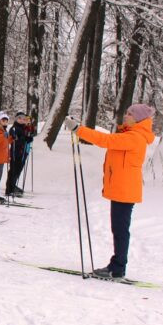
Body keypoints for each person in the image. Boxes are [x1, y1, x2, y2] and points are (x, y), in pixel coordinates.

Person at [64, 104, 155, 279]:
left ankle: (118, 268)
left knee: (120, 230)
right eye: (127, 112)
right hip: (123, 189)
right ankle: (117, 265)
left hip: (125, 190)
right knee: (119, 229)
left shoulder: (135, 137)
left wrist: (78, 129)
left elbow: (105, 140)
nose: (126, 116)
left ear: (138, 119)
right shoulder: (131, 135)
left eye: (130, 114)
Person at [6, 111, 34, 197]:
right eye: (20, 118)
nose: (22, 120)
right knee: (13, 170)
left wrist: (28, 138)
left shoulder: (23, 128)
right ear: (16, 119)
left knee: (18, 170)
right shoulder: (14, 128)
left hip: (21, 152)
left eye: (23, 118)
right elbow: (15, 140)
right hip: (15, 152)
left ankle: (13, 185)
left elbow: (25, 137)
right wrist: (24, 138)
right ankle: (9, 189)